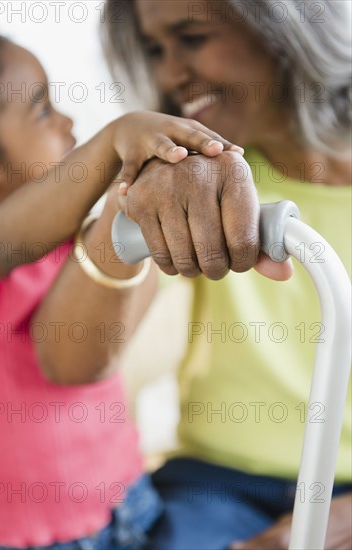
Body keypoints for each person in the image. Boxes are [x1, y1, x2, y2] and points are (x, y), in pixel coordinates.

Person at [102, 0, 352, 548]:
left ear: (286, 30)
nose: (168, 74)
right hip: (213, 483)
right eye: (154, 50)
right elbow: (85, 353)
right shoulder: (202, 180)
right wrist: (134, 179)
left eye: (191, 37)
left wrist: (320, 527)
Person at [0, 29, 247, 549]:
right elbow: (0, 245)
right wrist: (115, 139)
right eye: (42, 111)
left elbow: (103, 341)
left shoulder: (76, 238)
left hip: (132, 506)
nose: (68, 123)